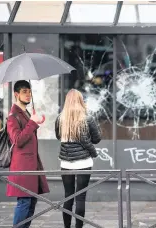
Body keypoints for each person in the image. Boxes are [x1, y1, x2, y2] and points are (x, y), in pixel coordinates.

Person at [55, 89, 101, 228]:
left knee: (68, 196)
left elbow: (58, 137)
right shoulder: (87, 119)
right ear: (81, 101)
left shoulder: (60, 118)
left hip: (66, 163)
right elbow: (97, 139)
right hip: (84, 162)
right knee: (80, 197)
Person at [7, 80, 50, 228]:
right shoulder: (13, 116)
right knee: (24, 201)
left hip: (31, 166)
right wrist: (32, 122)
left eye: (29, 91)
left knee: (31, 202)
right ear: (16, 94)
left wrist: (35, 120)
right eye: (24, 92)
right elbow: (18, 140)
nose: (28, 94)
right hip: (22, 167)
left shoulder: (25, 113)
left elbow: (29, 133)